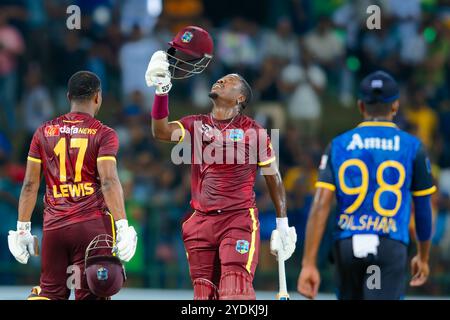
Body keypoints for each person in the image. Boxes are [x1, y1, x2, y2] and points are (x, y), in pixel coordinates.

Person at [145, 50, 297, 299]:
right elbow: (161, 131)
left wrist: (282, 224)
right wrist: (162, 91)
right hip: (200, 222)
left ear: (240, 98)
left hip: (237, 220)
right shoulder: (195, 123)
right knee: (204, 296)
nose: (221, 81)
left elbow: (273, 175)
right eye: (220, 79)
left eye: (229, 80)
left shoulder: (254, 131)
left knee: (234, 291)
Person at [297, 71, 436, 300]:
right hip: (389, 244)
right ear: (395, 107)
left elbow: (321, 203)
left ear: (361, 106)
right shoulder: (412, 147)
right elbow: (422, 207)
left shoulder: (338, 145)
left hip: (347, 246)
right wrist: (423, 256)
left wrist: (309, 264)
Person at [7, 71, 137, 300]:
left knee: (49, 292)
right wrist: (123, 224)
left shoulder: (43, 132)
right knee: (93, 294)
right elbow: (108, 181)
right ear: (98, 97)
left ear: (68, 96)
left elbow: (29, 185)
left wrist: (22, 228)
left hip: (54, 227)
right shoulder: (104, 133)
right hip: (92, 227)